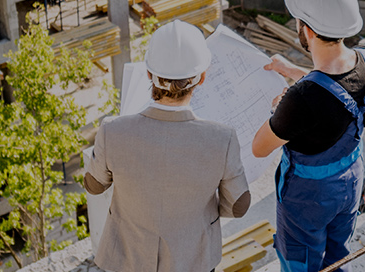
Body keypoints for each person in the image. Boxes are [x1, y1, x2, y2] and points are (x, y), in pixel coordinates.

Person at [82, 21, 251, 272]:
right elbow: (239, 205)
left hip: (128, 260)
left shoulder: (112, 130)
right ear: (201, 77)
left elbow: (94, 186)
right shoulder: (222, 138)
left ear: (149, 74)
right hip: (193, 260)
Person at [250, 0, 365, 270]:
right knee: (339, 254)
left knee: (301, 262)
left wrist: (278, 108)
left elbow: (259, 147)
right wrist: (292, 71)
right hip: (349, 184)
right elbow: (339, 90)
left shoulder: (300, 100)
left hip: (307, 200)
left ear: (307, 30)